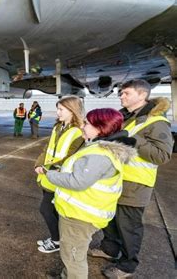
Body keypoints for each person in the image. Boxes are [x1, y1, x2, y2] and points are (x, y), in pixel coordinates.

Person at [89, 80, 173, 278]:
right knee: (109, 219)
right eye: (121, 93)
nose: (121, 96)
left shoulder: (156, 122)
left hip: (135, 184)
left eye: (126, 93)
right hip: (115, 180)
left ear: (142, 95)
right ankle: (109, 249)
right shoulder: (127, 117)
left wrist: (135, 140)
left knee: (128, 227)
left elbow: (162, 156)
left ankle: (127, 265)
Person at [44, 108, 136, 279]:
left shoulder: (98, 154)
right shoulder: (99, 149)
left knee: (73, 258)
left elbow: (77, 182)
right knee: (71, 253)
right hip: (80, 214)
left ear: (100, 128)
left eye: (87, 123)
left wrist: (49, 174)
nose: (83, 126)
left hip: (80, 217)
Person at [34, 95, 85, 253]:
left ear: (72, 111)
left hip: (59, 178)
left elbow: (71, 156)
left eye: (61, 109)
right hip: (47, 176)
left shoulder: (78, 132)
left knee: (46, 209)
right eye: (58, 109)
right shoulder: (58, 127)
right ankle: (57, 237)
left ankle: (56, 241)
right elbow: (47, 148)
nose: (58, 112)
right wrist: (39, 163)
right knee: (53, 210)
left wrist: (47, 168)